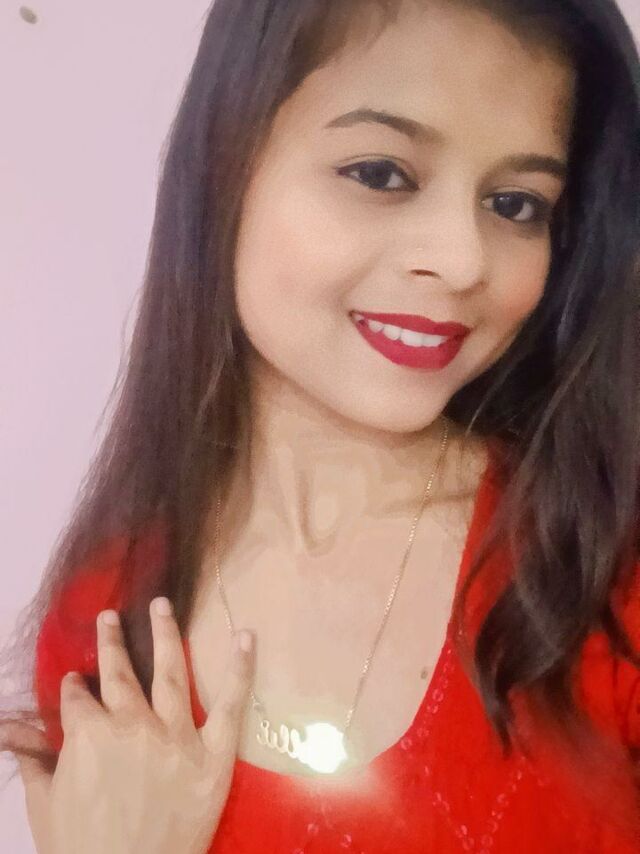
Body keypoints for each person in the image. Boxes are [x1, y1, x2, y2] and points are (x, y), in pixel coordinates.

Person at [1, 0, 640, 851]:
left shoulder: (603, 566)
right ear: (226, 166)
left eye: (516, 204)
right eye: (380, 173)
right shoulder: (105, 623)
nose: (462, 260)